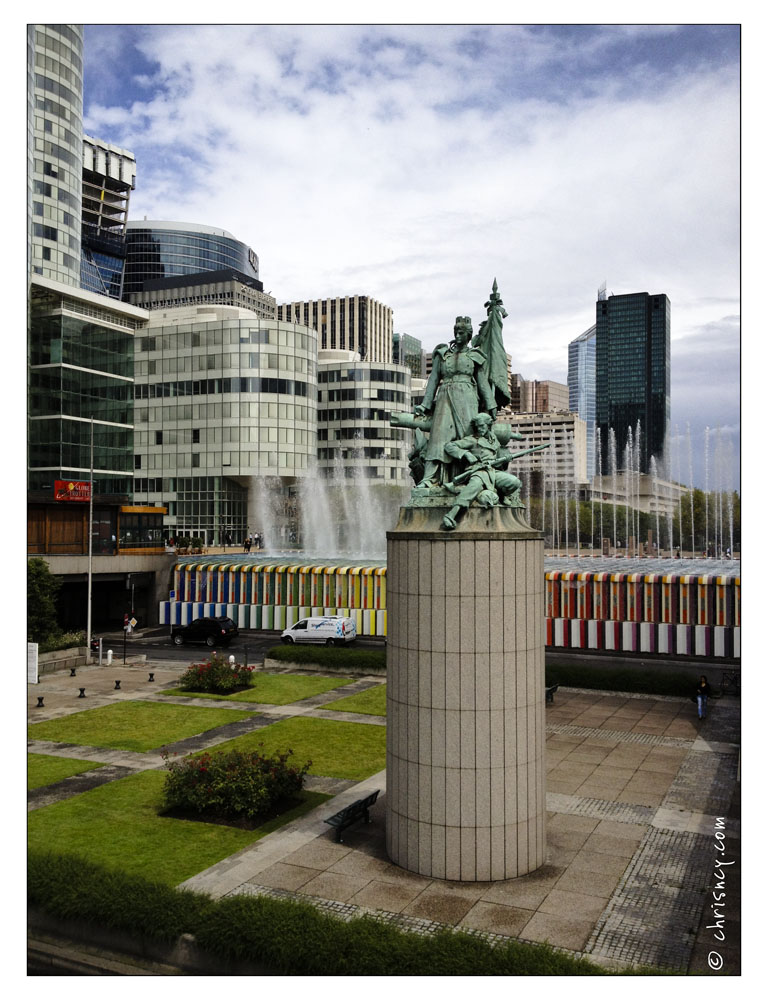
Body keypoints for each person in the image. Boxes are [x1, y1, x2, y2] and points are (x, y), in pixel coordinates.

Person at [413, 317, 496, 487]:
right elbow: (434, 380)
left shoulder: (475, 356)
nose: (458, 336)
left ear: (468, 335)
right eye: (456, 332)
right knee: (438, 438)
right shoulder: (443, 355)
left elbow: (482, 383)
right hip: (445, 398)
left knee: (467, 437)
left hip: (468, 399)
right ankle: (430, 479)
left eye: (461, 333)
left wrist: (491, 404)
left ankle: (467, 478)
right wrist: (425, 404)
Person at [441, 413, 522, 530]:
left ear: (489, 425)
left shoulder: (494, 440)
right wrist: (466, 454)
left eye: (482, 426)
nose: (479, 429)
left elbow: (499, 462)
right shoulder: (472, 440)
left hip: (493, 472)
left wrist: (506, 460)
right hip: (477, 471)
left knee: (515, 482)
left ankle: (502, 495)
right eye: (477, 426)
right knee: (473, 488)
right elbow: (449, 446)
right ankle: (451, 515)